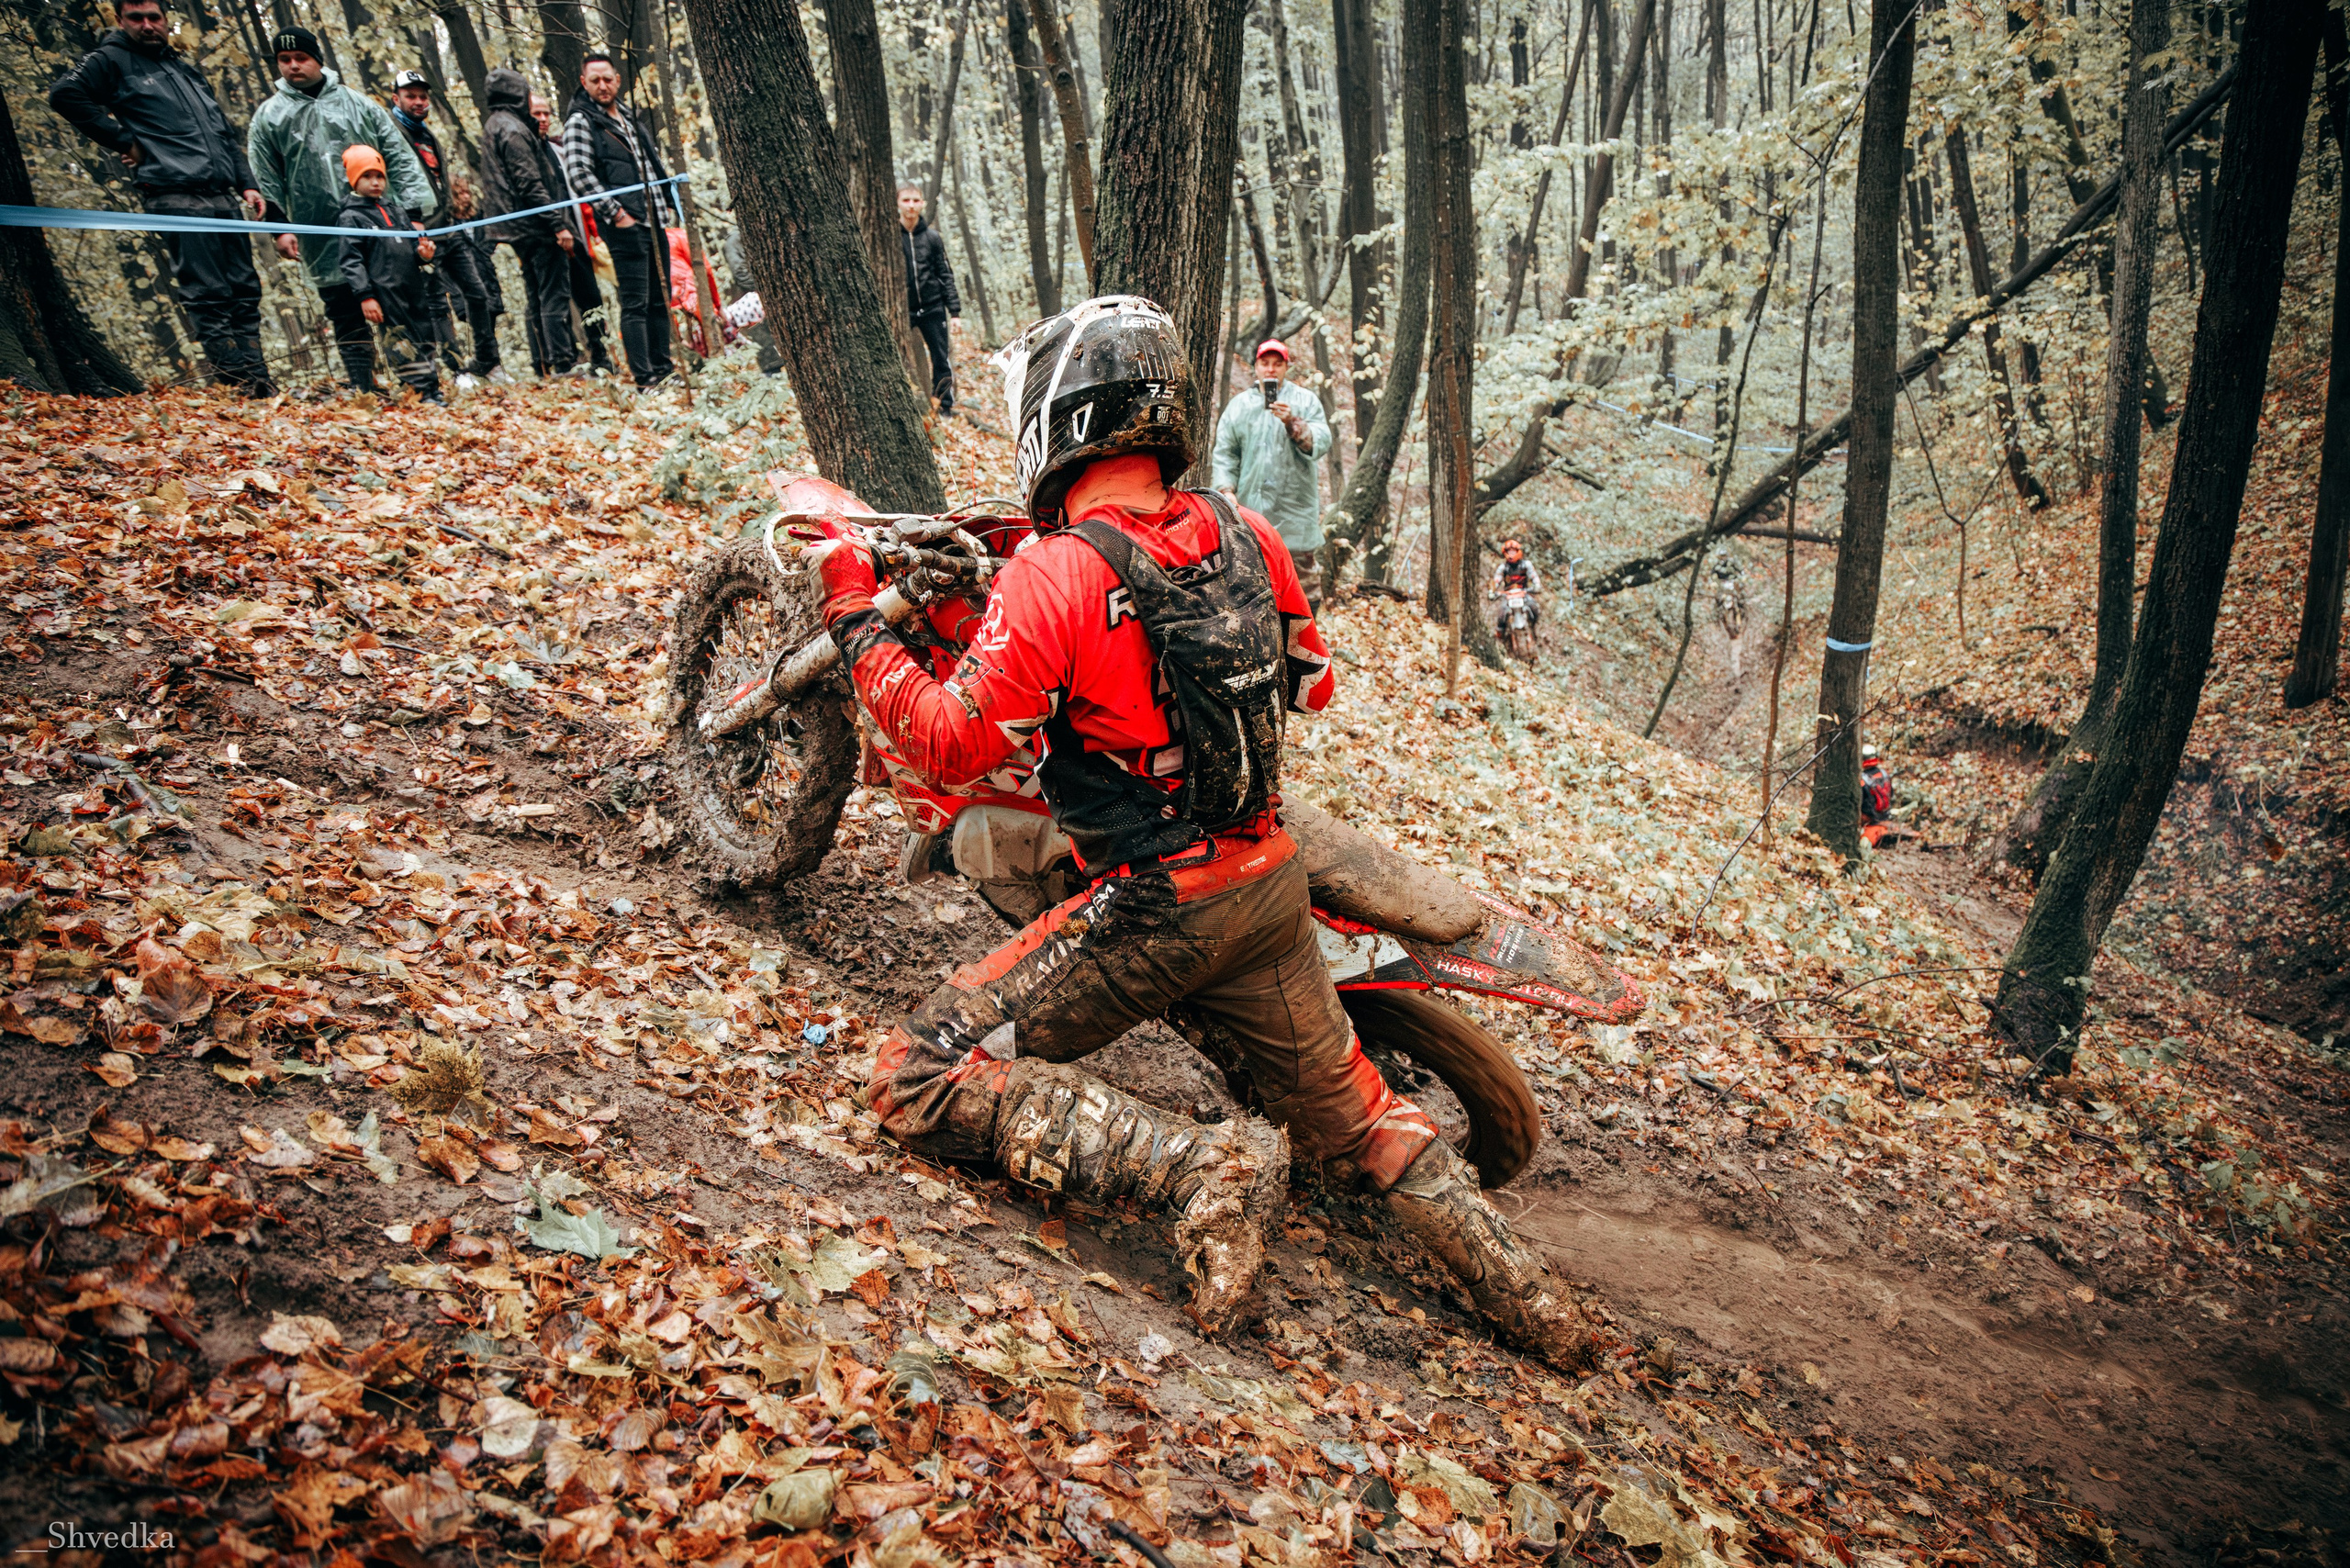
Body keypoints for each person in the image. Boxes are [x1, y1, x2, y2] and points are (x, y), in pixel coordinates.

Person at [810, 296, 1591, 1363]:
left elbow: (949, 743)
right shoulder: (1247, 531)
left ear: (1057, 417)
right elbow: (1312, 684)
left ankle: (1195, 1166)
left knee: (915, 1072)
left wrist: (855, 621)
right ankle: (1549, 1316)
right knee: (1368, 1124)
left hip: (1152, 909)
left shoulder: (1057, 569)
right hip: (1267, 885)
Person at [48, 0, 273, 395]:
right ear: (120, 20)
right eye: (137, 18)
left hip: (223, 196)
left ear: (167, 21)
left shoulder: (183, 68)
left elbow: (223, 133)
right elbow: (65, 94)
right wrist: (123, 140)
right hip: (175, 196)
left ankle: (261, 384)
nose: (147, 25)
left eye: (154, 17)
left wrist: (247, 183)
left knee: (244, 289)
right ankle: (238, 385)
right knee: (209, 294)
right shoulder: (110, 59)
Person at [246, 28, 433, 393]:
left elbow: (398, 155)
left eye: (301, 58)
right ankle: (364, 388)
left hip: (377, 225)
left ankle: (416, 386)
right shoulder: (269, 117)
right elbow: (265, 176)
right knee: (343, 309)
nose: (293, 66)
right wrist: (280, 228)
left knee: (394, 305)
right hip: (318, 229)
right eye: (285, 60)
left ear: (318, 60)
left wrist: (412, 214)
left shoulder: (358, 104)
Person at [562, 52, 675, 388]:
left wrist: (667, 205)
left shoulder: (628, 116)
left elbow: (651, 165)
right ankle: (645, 378)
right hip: (624, 225)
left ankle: (665, 370)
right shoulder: (580, 120)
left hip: (655, 221)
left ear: (617, 80)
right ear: (584, 83)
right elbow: (579, 174)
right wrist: (617, 214)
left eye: (607, 79)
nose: (602, 86)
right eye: (595, 80)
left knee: (660, 298)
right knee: (635, 302)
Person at [1211, 339, 1332, 610]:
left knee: (1304, 591)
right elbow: (1225, 454)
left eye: (1277, 364)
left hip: (1296, 515)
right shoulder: (1239, 406)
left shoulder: (1305, 400)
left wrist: (1293, 423)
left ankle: (1303, 635)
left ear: (1286, 368)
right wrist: (1226, 491)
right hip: (1251, 516)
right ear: (1256, 367)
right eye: (1265, 363)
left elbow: (1322, 442)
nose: (1270, 370)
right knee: (1254, 589)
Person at [477, 68, 576, 376]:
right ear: (517, 94)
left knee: (536, 295)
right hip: (535, 225)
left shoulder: (495, 124)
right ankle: (562, 362)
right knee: (552, 293)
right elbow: (530, 184)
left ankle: (542, 364)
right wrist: (557, 224)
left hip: (518, 226)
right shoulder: (513, 129)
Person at [334, 145, 441, 403]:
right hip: (386, 290)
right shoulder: (351, 217)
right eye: (367, 176)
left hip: (412, 285)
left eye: (379, 176)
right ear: (354, 180)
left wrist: (423, 254)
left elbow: (411, 245)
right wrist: (365, 295)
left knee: (424, 333)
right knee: (400, 339)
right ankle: (416, 389)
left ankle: (431, 387)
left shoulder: (395, 210)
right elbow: (351, 260)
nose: (375, 182)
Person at [385, 69, 465, 376]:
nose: (418, 102)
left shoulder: (427, 134)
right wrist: (409, 222)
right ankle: (448, 368)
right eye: (410, 96)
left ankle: (482, 363)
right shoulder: (392, 133)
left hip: (446, 227)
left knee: (474, 292)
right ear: (396, 99)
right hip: (416, 230)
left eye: (422, 96)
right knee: (434, 301)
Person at [532, 93, 616, 377]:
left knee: (590, 297)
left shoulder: (559, 149)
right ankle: (561, 363)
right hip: (550, 237)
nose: (543, 119)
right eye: (536, 114)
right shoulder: (529, 153)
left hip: (578, 235)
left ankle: (601, 358)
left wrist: (590, 233)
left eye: (546, 113)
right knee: (554, 301)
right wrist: (557, 228)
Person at [896, 185, 961, 413]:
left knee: (941, 359)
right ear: (897, 203)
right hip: (904, 309)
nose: (911, 205)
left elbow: (945, 274)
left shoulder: (932, 238)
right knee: (896, 356)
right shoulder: (891, 237)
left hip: (933, 307)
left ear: (923, 203)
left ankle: (945, 407)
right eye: (906, 200)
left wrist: (954, 312)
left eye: (916, 200)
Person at [437, 174, 504, 379]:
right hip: (462, 283)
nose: (465, 197)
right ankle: (465, 367)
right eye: (459, 194)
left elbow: (491, 236)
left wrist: (485, 251)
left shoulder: (479, 217)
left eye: (467, 192)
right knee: (472, 320)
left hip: (486, 276)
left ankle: (491, 364)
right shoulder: (448, 225)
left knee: (489, 320)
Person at [1491, 538, 1541, 633]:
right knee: (1502, 613)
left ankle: (1534, 628)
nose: (1511, 554)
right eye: (1509, 552)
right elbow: (1496, 580)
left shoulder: (1526, 565)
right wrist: (1492, 591)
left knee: (1534, 608)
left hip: (1523, 593)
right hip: (1508, 595)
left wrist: (1537, 585)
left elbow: (1534, 576)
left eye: (1513, 551)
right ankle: (1500, 633)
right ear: (1505, 553)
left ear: (1518, 551)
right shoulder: (1503, 567)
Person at [1860, 745, 1894, 827]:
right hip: (1886, 815)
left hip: (1869, 818)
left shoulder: (1862, 779)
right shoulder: (1884, 774)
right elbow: (1891, 793)